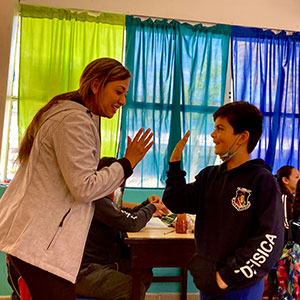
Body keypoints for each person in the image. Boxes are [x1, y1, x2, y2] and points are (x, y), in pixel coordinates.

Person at [0, 58, 155, 300]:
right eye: (118, 91)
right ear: (96, 85)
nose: (123, 101)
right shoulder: (74, 120)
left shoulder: (74, 115)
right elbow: (85, 187)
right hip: (39, 244)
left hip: (36, 241)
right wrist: (127, 163)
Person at [162, 101, 285, 299]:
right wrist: (175, 166)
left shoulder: (262, 180)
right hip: (210, 280)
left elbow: (270, 238)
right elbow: (177, 201)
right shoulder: (210, 176)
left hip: (239, 284)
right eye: (214, 128)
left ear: (242, 137)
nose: (213, 135)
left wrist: (225, 277)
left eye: (220, 128)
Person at [76, 157, 169, 300]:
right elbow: (131, 223)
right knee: (132, 287)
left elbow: (125, 215)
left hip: (104, 264)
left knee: (144, 272)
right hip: (87, 271)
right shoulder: (97, 201)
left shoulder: (106, 200)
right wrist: (151, 208)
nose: (121, 184)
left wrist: (146, 204)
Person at [276, 165, 300, 242]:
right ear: (285, 180)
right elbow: (286, 225)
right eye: (297, 177)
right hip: (284, 245)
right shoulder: (284, 197)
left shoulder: (291, 197)